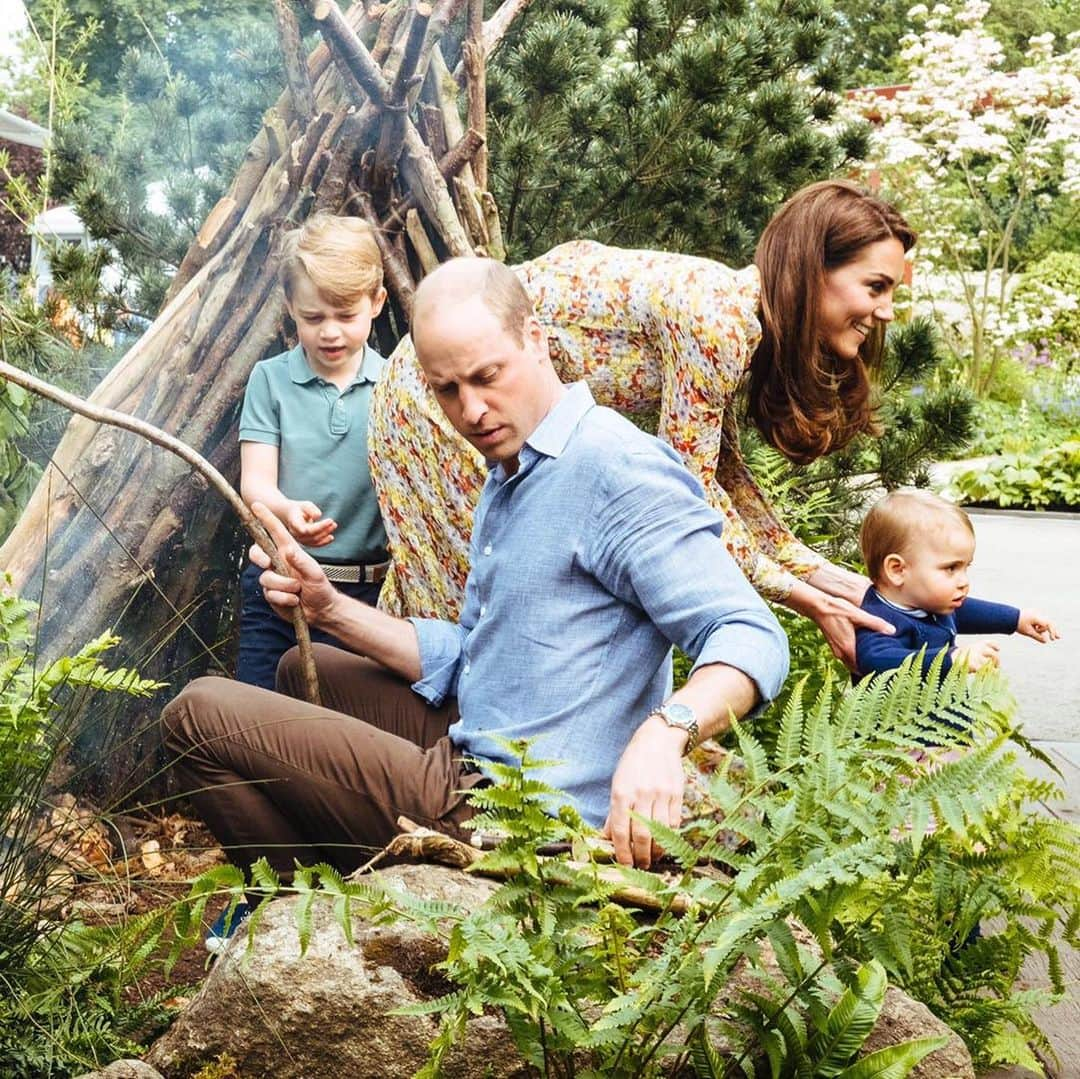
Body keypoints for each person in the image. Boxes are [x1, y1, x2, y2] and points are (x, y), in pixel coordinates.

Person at [161, 259, 789, 930]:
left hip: (515, 811)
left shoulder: (617, 469)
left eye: (488, 376)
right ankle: (336, 887)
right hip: (489, 739)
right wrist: (330, 610)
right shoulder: (513, 470)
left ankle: (305, 913)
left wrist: (667, 733)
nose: (472, 411)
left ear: (539, 341)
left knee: (197, 713)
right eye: (447, 389)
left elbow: (749, 634)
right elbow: (484, 657)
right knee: (297, 668)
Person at [370, 180, 915, 668]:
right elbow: (691, 498)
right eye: (875, 286)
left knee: (468, 597)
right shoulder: (717, 319)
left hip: (459, 389)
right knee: (481, 606)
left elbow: (724, 477)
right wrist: (803, 597)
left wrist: (825, 577)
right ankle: (457, 769)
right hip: (432, 392)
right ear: (814, 269)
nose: (886, 310)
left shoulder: (737, 318)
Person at [235, 214, 390, 690]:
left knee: (345, 733)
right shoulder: (271, 380)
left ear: (377, 303)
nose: (330, 333)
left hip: (368, 594)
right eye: (313, 317)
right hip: (279, 583)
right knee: (261, 718)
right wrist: (286, 510)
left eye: (346, 316)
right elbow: (255, 483)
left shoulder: (395, 386)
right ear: (290, 308)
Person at [854, 489, 1059, 681]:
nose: (964, 581)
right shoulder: (879, 620)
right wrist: (951, 659)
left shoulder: (929, 603)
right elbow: (875, 660)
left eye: (965, 567)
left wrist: (1016, 619)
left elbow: (963, 612)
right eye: (951, 568)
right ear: (897, 570)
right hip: (901, 718)